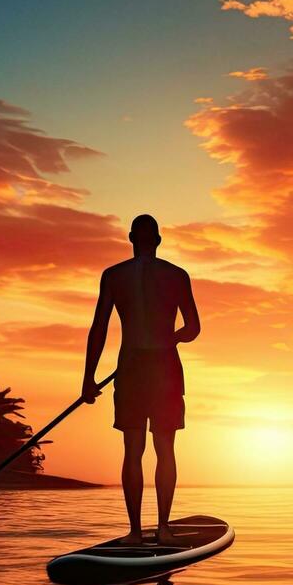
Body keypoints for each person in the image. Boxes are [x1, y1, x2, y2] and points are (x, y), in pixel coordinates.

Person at [82, 214, 200, 546]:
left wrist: (88, 378)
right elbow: (193, 328)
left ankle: (135, 532)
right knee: (165, 448)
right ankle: (162, 528)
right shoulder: (176, 276)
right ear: (158, 241)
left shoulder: (114, 276)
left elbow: (99, 329)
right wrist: (172, 338)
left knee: (133, 450)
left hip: (131, 365)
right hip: (164, 365)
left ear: (132, 238)